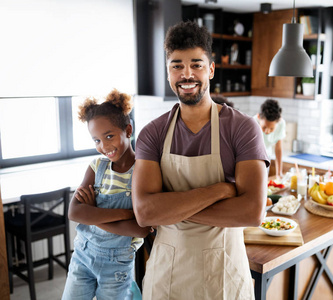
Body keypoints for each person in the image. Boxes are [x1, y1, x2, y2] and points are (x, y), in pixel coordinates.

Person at [132, 21, 269, 300]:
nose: (186, 74)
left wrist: (171, 207)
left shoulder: (242, 128)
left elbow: (252, 212)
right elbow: (145, 213)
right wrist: (218, 191)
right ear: (168, 72)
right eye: (177, 65)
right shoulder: (152, 134)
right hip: (166, 278)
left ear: (211, 69)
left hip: (225, 275)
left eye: (196, 64)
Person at [62, 89, 151, 300]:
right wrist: (126, 213)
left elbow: (140, 230)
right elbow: (74, 213)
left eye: (109, 136)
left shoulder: (143, 171)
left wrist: (93, 213)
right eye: (96, 141)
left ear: (128, 130)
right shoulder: (96, 167)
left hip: (117, 266)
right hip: (82, 256)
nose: (104, 147)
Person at [254, 99, 286, 179]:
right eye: (264, 127)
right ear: (258, 117)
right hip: (253, 159)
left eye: (271, 128)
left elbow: (278, 149)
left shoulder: (281, 124)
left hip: (267, 157)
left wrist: (279, 173)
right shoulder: (252, 123)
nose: (267, 131)